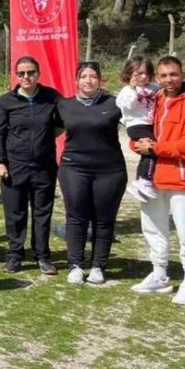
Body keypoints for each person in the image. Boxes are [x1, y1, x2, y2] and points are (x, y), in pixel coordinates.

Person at [130, 56, 185, 305]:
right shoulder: (156, 100)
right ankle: (159, 274)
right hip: (152, 177)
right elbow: (140, 128)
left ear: (182, 73)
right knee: (153, 228)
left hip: (181, 179)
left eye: (173, 74)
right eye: (163, 76)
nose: (168, 80)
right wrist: (137, 144)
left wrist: (154, 148)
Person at [56, 62, 127, 285]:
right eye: (84, 76)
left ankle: (98, 266)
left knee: (104, 220)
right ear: (76, 81)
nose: (88, 80)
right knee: (76, 218)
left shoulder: (115, 104)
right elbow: (48, 129)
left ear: (100, 80)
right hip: (74, 168)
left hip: (110, 171)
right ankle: (75, 265)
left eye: (93, 76)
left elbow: (139, 120)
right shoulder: (64, 105)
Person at [0, 56, 63, 276]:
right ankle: (15, 255)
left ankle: (42, 256)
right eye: (21, 73)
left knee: (42, 212)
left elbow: (62, 124)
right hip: (15, 166)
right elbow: (0, 133)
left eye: (30, 72)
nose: (26, 77)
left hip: (44, 166)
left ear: (38, 73)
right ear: (16, 75)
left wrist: (43, 139)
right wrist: (0, 162)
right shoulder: (6, 101)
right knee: (15, 212)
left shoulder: (51, 97)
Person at [117, 56, 160, 202]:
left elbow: (163, 89)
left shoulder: (153, 87)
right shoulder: (127, 91)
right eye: (139, 73)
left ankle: (140, 182)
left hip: (149, 124)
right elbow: (127, 106)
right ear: (129, 74)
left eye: (147, 73)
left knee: (146, 154)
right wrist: (134, 90)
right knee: (152, 149)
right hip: (135, 125)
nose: (143, 77)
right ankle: (144, 180)